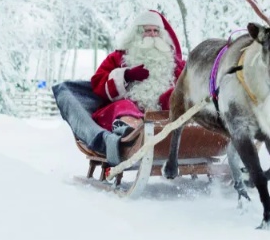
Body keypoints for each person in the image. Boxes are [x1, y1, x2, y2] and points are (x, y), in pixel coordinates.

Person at [52, 9, 184, 165]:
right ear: (137, 34)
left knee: (175, 97)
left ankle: (176, 137)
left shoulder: (172, 61)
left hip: (164, 115)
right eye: (147, 31)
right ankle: (132, 136)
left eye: (156, 31)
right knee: (123, 106)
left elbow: (188, 81)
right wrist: (126, 75)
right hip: (126, 110)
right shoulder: (118, 57)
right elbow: (98, 84)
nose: (153, 35)